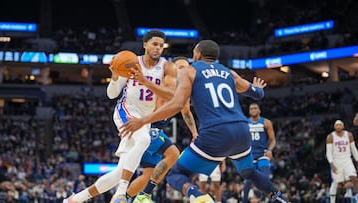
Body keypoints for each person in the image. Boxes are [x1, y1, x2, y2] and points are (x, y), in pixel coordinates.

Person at [119, 39, 289, 203]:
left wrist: (142, 121)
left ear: (198, 54)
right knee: (249, 172)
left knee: (175, 175)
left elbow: (177, 104)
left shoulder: (190, 71)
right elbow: (257, 94)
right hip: (242, 131)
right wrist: (258, 89)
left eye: (194, 52)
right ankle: (278, 196)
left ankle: (199, 197)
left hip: (215, 133)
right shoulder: (229, 72)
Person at [63, 29, 177, 203]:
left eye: (161, 46)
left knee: (119, 172)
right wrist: (115, 77)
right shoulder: (131, 62)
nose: (158, 48)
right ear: (145, 45)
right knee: (144, 141)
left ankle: (75, 200)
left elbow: (171, 95)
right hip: (126, 111)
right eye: (155, 44)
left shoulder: (167, 67)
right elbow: (111, 94)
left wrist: (145, 81)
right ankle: (121, 194)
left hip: (144, 119)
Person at [110, 57, 199, 203]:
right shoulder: (167, 83)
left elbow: (186, 113)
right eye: (180, 67)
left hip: (155, 128)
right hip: (148, 126)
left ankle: (123, 199)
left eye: (186, 67)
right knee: (173, 153)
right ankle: (143, 195)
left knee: (147, 175)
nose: (184, 70)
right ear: (172, 68)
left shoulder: (182, 89)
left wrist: (195, 133)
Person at [242, 103, 276, 203]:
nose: (253, 110)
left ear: (259, 110)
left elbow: (273, 140)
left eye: (255, 108)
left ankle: (267, 199)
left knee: (265, 180)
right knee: (247, 182)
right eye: (251, 108)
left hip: (263, 154)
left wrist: (270, 149)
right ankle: (244, 201)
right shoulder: (245, 123)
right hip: (250, 156)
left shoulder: (266, 122)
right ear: (249, 111)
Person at [326, 120, 358, 203]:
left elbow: (354, 149)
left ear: (343, 126)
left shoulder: (349, 135)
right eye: (337, 125)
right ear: (334, 127)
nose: (338, 126)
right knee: (335, 182)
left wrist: (357, 160)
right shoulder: (330, 137)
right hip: (336, 160)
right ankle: (332, 201)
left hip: (347, 159)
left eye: (340, 125)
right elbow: (328, 152)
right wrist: (332, 164)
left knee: (354, 178)